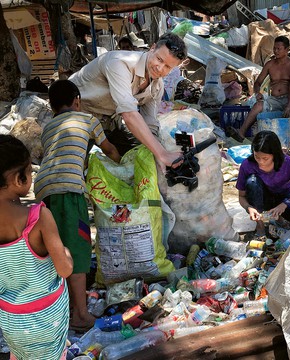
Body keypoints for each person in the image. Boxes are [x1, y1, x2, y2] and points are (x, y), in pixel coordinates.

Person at [34, 80, 121, 332]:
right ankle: (81, 315)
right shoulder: (87, 119)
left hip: (43, 190)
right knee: (78, 248)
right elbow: (110, 149)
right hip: (68, 190)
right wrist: (123, 169)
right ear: (77, 101)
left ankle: (65, 309)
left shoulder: (48, 127)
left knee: (55, 249)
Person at [0, 135, 73, 360]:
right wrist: (67, 255)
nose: (32, 176)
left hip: (11, 320)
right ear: (17, 178)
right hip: (48, 318)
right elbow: (64, 270)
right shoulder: (39, 216)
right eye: (29, 171)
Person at [69, 32, 186, 169]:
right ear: (152, 48)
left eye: (167, 67)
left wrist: (159, 155)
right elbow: (129, 114)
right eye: (159, 59)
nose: (160, 68)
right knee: (74, 171)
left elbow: (151, 125)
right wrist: (162, 154)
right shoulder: (119, 63)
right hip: (74, 118)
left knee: (137, 158)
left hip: (106, 124)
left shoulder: (157, 87)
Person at [236, 131, 290, 236]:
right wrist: (249, 207)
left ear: (274, 155)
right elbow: (241, 196)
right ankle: (260, 224)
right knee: (252, 181)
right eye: (257, 157)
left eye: (265, 158)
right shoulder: (247, 165)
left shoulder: (287, 162)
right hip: (261, 198)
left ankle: (278, 218)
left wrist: (285, 204)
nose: (260, 162)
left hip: (283, 197)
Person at [232, 36, 290, 141]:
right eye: (274, 48)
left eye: (279, 49)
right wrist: (257, 93)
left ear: (287, 50)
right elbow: (258, 82)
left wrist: (289, 105)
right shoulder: (270, 64)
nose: (276, 51)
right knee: (258, 105)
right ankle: (241, 133)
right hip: (275, 100)